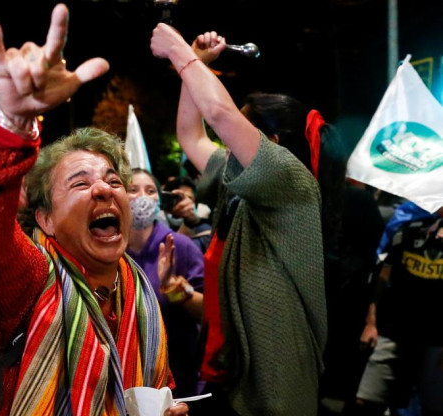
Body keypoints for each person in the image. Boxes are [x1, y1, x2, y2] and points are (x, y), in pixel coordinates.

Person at [0, 4, 189, 415]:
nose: (103, 187)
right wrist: (10, 124)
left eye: (114, 180)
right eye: (80, 183)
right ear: (45, 219)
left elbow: (153, 381)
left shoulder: (138, 291)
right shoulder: (30, 279)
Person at [151, 27, 328, 415]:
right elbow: (190, 134)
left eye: (237, 132)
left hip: (277, 380)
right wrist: (197, 66)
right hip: (233, 373)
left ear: (273, 144)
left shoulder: (290, 179)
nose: (224, 139)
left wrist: (181, 53)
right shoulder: (239, 185)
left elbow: (217, 111)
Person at [355, 201, 443, 416]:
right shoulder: (407, 232)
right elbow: (382, 279)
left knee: (432, 407)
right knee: (366, 400)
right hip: (395, 330)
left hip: (437, 339)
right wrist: (371, 323)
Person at [126, 168, 205, 397]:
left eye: (150, 191)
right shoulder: (109, 248)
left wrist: (173, 287)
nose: (142, 196)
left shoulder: (179, 246)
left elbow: (207, 312)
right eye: (133, 189)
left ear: (159, 201)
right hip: (129, 378)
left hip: (179, 376)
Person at [161, 175, 212, 253]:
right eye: (178, 198)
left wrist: (191, 222)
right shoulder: (155, 225)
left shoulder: (205, 233)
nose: (184, 203)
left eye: (189, 198)